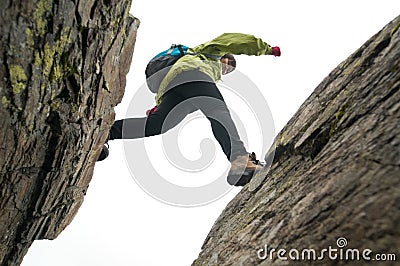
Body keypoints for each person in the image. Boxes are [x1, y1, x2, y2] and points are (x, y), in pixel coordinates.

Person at [98, 33, 281, 186]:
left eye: (228, 72)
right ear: (225, 57)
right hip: (192, 75)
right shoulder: (208, 54)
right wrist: (266, 49)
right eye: (228, 66)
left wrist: (158, 106)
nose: (226, 70)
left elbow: (184, 88)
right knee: (219, 113)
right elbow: (233, 40)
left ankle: (105, 133)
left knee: (157, 125)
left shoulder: (200, 67)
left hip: (173, 87)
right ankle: (240, 159)